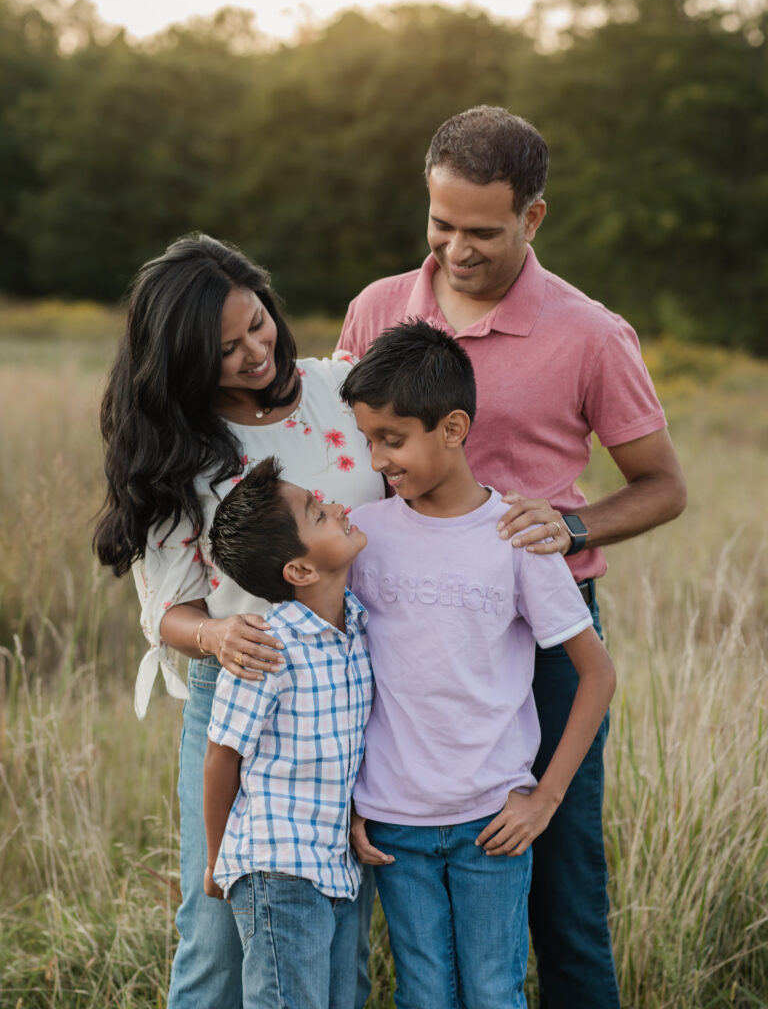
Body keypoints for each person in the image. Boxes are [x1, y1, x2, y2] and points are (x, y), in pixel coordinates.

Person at [337, 108, 687, 1006]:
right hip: (406, 625)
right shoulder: (378, 310)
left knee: (564, 875)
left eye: (481, 231)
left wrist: (571, 528)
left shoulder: (591, 333)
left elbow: (662, 486)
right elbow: (340, 458)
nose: (455, 249)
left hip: (541, 631)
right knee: (407, 866)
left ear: (532, 218)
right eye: (440, 223)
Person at [94, 233, 384, 1009]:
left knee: (336, 931)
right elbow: (167, 610)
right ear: (186, 360)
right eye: (226, 349)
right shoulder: (181, 447)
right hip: (245, 691)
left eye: (257, 322)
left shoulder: (344, 388)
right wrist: (216, 636)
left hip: (351, 690)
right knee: (219, 933)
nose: (255, 351)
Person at [336, 320, 616, 1008]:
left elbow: (597, 673)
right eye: (368, 440)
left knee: (494, 992)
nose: (377, 460)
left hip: (493, 819)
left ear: (453, 428)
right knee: (423, 993)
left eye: (392, 440)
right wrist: (346, 801)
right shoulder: (361, 539)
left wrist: (544, 799)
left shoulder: (515, 537)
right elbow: (337, 674)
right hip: (393, 820)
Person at [202, 455, 373, 1009]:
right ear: (298, 571)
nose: (337, 507)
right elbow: (221, 755)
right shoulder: (267, 645)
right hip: (278, 867)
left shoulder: (356, 628)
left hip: (333, 866)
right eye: (317, 513)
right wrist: (214, 859)